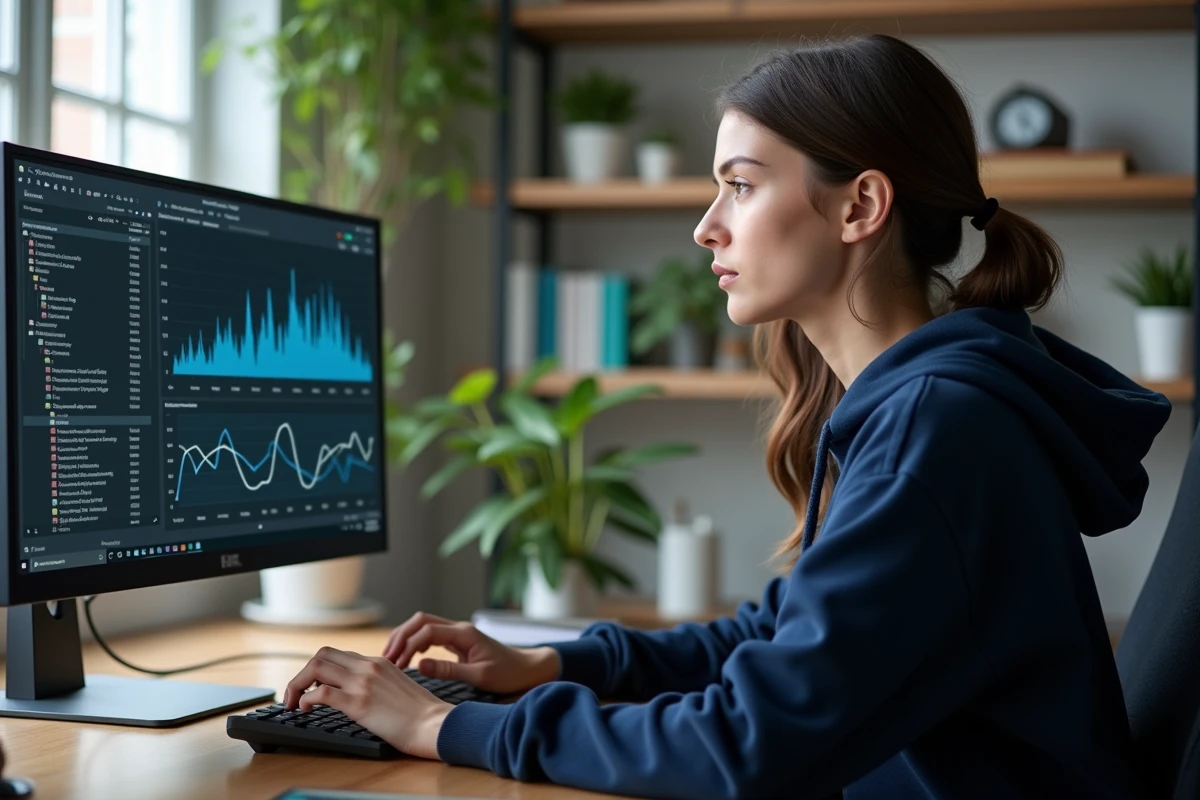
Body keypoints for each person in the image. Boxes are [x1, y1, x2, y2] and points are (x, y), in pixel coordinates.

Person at [282, 34, 1170, 798]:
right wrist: (558, 662)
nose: (707, 227)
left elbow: (746, 742)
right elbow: (778, 635)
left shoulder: (937, 432)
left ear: (860, 206)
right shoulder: (917, 407)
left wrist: (442, 727)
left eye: (741, 186)